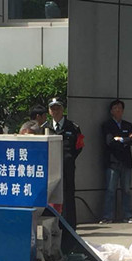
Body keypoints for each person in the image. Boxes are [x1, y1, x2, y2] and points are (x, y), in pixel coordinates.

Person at [45, 97, 84, 229]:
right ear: (49, 111)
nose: (55, 111)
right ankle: (52, 226)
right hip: (50, 168)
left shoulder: (73, 127)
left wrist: (69, 158)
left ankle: (70, 227)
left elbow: (79, 146)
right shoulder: (45, 128)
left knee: (68, 196)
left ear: (63, 110)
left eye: (58, 108)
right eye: (52, 108)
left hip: (67, 167)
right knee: (50, 196)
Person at [100, 99, 132, 224]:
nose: (118, 110)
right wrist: (126, 140)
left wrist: (120, 139)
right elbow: (109, 142)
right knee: (110, 190)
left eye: (120, 108)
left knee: (126, 190)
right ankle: (108, 216)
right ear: (111, 111)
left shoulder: (128, 125)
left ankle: (128, 215)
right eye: (115, 108)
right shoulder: (107, 125)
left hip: (126, 162)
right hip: (112, 162)